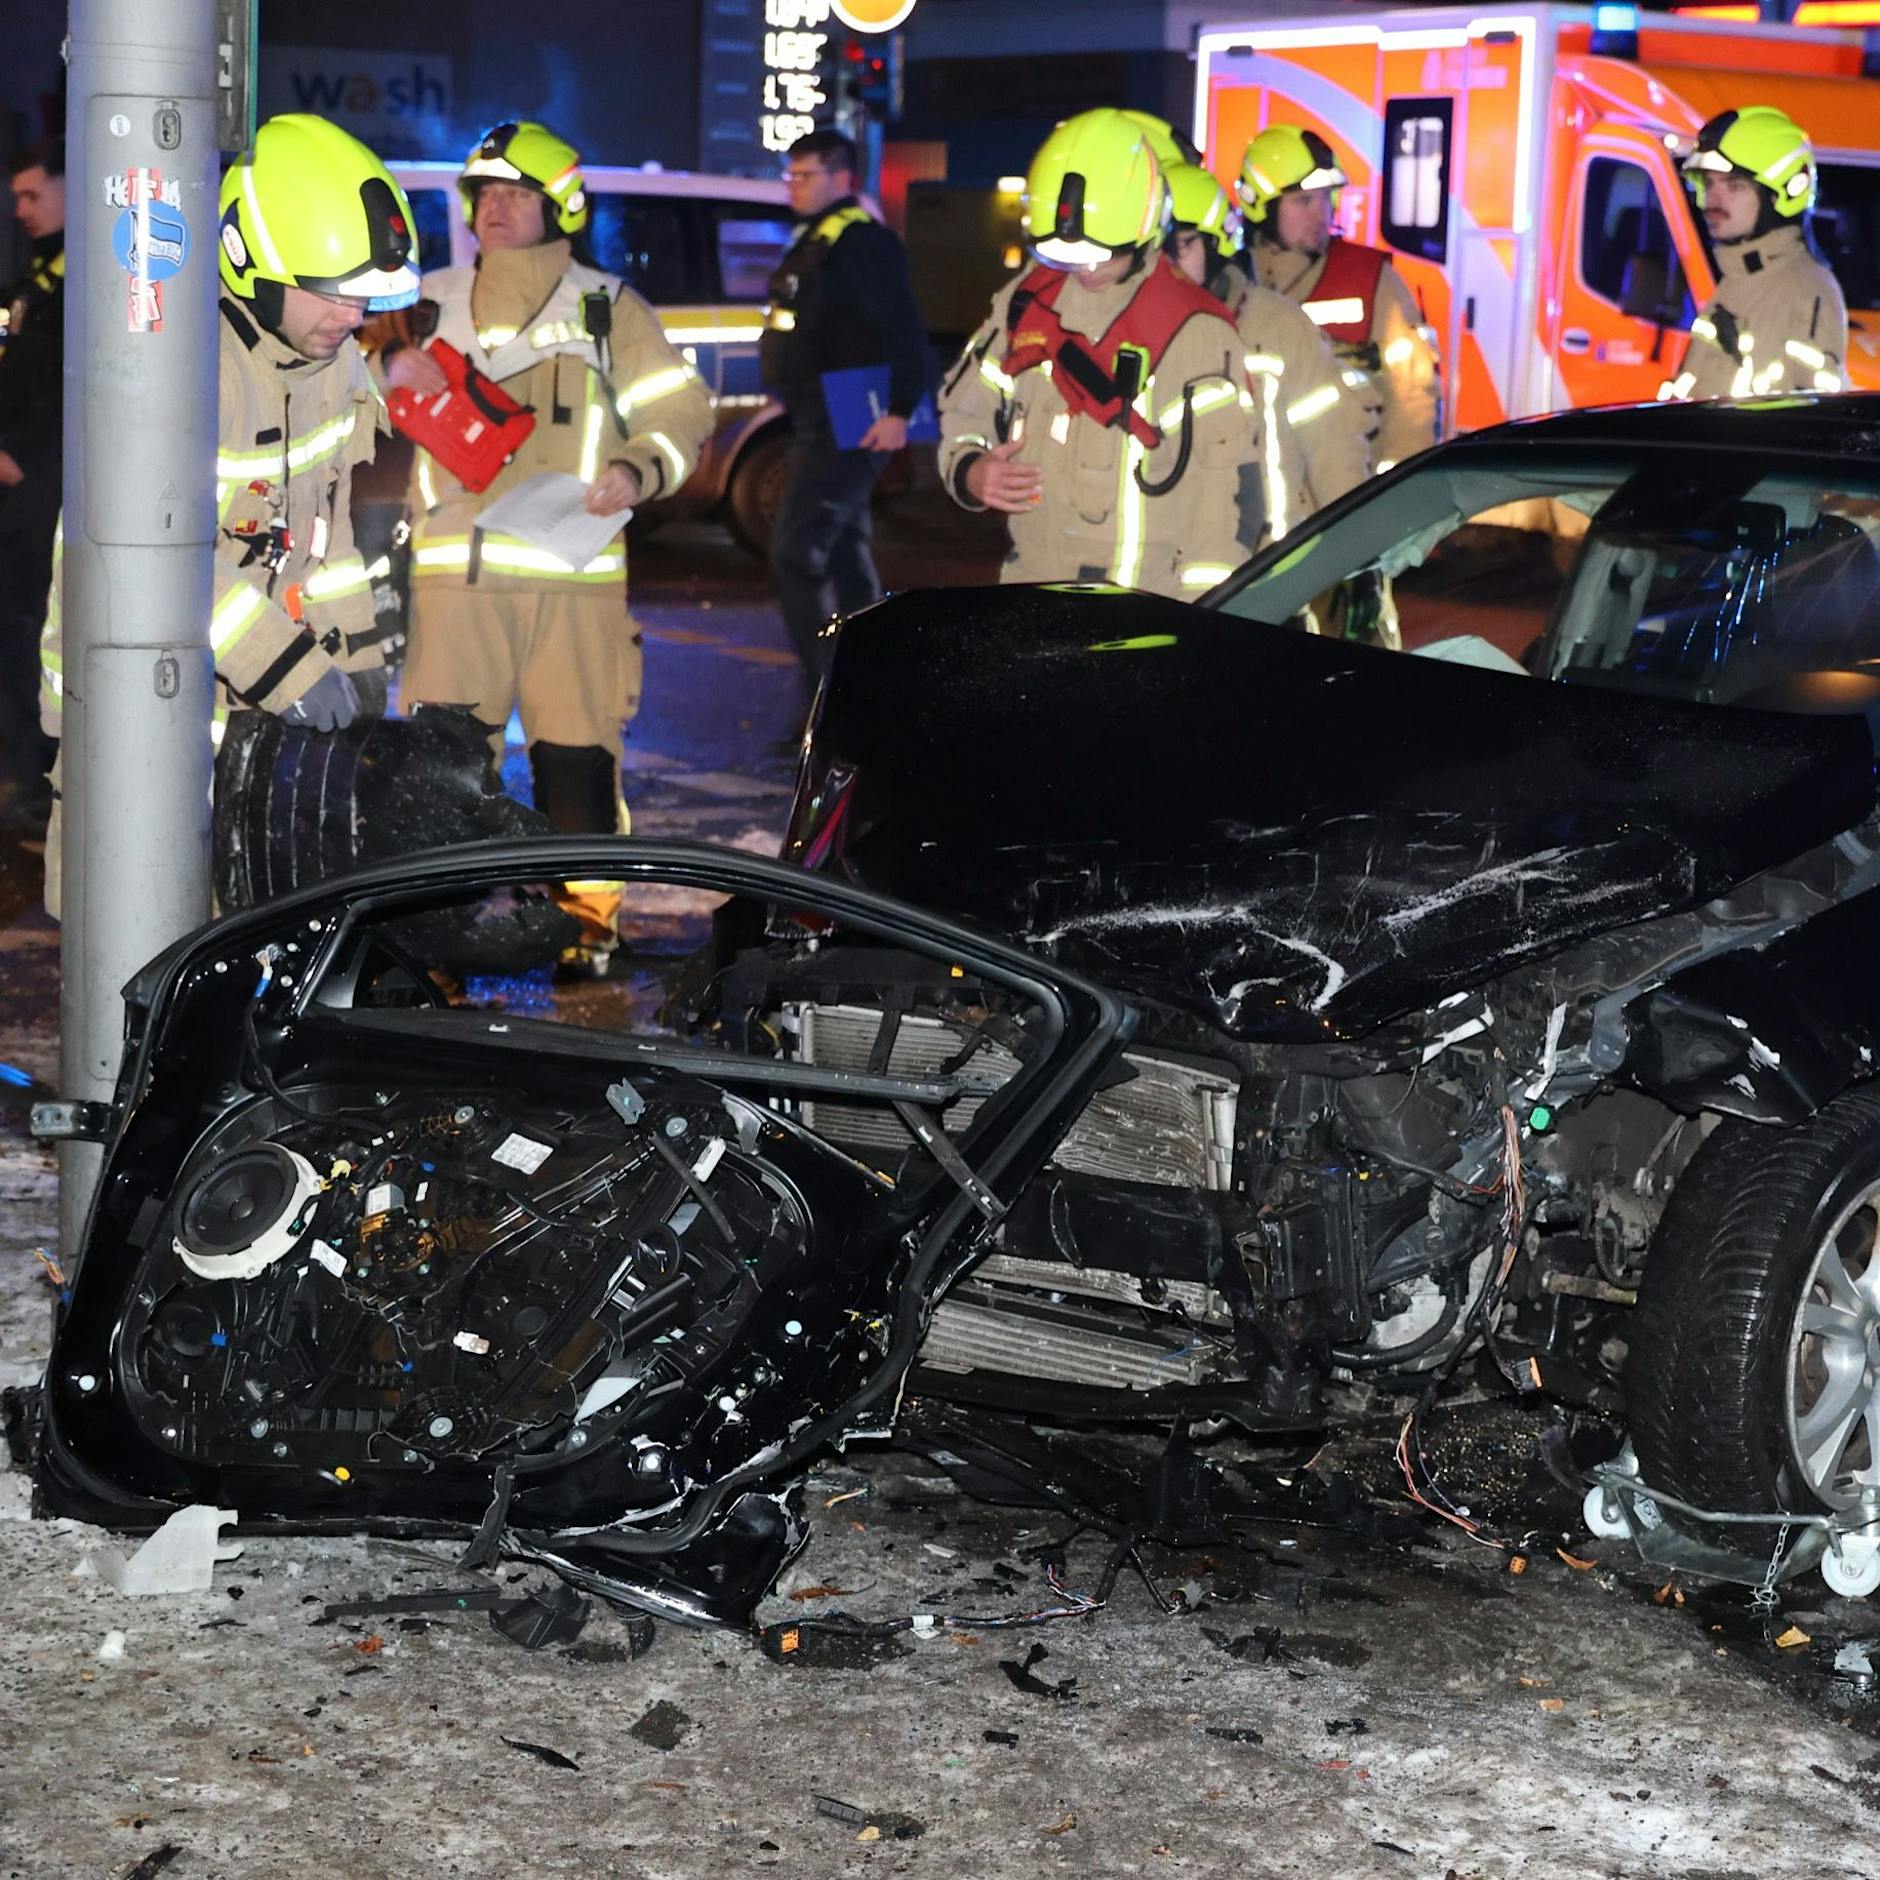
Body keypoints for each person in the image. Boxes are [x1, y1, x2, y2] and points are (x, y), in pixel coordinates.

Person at [38, 114, 416, 914]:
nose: (354, 317)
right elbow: (156, 560)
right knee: (141, 964)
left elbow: (328, 534)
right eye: (333, 294)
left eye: (364, 298)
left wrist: (356, 652)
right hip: (137, 717)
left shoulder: (330, 359)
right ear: (252, 262)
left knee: (240, 971)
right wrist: (292, 667)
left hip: (251, 742)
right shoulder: (174, 362)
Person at [375, 119, 713, 970]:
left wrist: (640, 468)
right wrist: (382, 379)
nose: (494, 207)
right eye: (484, 193)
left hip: (576, 578)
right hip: (454, 586)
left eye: (515, 194)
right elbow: (333, 396)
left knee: (579, 764)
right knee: (442, 778)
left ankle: (586, 930)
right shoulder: (424, 304)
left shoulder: (607, 308)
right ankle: (437, 942)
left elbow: (682, 412)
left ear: (559, 206)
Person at [938, 109, 1268, 599]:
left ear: (1146, 228)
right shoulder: (1025, 304)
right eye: (1065, 255)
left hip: (1145, 604)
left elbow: (1222, 509)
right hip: (1032, 591)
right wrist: (970, 468)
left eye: (1101, 254)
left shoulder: (1197, 331)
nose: (1084, 270)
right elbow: (966, 409)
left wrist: (1201, 626)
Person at [760, 128, 927, 684]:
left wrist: (901, 410)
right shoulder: (815, 238)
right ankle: (867, 685)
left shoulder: (863, 242)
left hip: (851, 417)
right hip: (819, 415)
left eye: (806, 176)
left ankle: (829, 693)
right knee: (843, 555)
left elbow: (904, 325)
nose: (794, 187)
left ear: (842, 178)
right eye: (791, 175)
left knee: (796, 551)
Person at [1162, 161, 1367, 536]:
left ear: (1215, 242)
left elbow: (1333, 450)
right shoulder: (1127, 337)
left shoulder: (1277, 324)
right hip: (1165, 574)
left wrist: (1360, 555)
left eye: (1184, 244)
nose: (1169, 264)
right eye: (1156, 250)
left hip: (1271, 572)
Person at [1238, 124, 1439, 472]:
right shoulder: (1235, 282)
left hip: (1345, 492)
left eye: (1326, 197)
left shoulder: (1371, 281)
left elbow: (1413, 396)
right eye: (1303, 201)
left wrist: (1389, 491)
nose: (1321, 213)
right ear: (1262, 206)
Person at [1661, 106, 1845, 401]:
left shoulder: (1800, 290)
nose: (1712, 200)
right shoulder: (1741, 276)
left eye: (1734, 186)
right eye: (1708, 184)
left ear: (1781, 194)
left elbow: (1793, 426)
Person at [0, 140, 63, 827]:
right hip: (20, 480)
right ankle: (30, 773)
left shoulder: (80, 278)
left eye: (32, 195)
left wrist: (23, 458)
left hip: (40, 484)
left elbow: (62, 386)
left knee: (29, 633)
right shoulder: (35, 274)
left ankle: (40, 778)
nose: (20, 210)